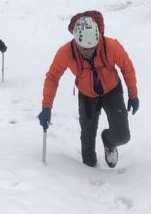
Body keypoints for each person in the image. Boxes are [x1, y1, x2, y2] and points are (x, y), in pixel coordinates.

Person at [38, 10, 139, 168]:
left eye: (92, 47)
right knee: (87, 141)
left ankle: (109, 142)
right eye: (84, 48)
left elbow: (127, 68)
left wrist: (133, 95)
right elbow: (52, 77)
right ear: (76, 42)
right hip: (86, 96)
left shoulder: (111, 46)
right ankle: (87, 173)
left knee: (122, 136)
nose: (89, 52)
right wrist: (46, 107)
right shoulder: (66, 52)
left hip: (112, 91)